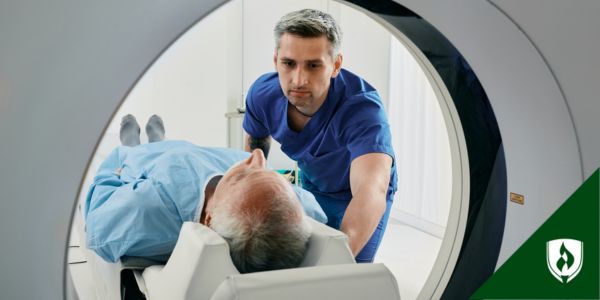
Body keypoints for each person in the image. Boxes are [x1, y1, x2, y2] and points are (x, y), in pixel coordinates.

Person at [243, 9, 397, 263]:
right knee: (295, 259)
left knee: (345, 270)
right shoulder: (262, 94)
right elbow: (256, 147)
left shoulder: (362, 109)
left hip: (358, 195)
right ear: (275, 60)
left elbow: (371, 189)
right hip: (314, 186)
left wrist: (335, 263)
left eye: (313, 65)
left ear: (335, 65)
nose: (299, 79)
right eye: (289, 63)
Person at [84, 114, 325, 273]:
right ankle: (158, 140)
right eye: (269, 173)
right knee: (175, 146)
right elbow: (316, 211)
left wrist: (112, 173)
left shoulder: (148, 211)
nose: (258, 156)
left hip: (148, 165)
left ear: (208, 219)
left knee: (133, 154)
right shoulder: (298, 212)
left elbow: (97, 223)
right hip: (199, 154)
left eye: (243, 175)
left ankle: (133, 144)